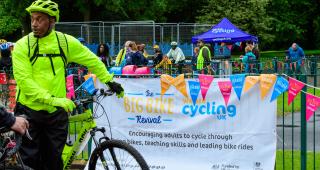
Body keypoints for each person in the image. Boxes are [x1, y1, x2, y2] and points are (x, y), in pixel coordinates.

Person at [12, 1, 124, 170]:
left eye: (40, 19)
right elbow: (25, 83)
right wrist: (54, 100)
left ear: (52, 21)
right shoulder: (22, 46)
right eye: (32, 19)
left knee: (55, 162)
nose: (34, 24)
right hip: (29, 111)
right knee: (29, 163)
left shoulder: (65, 42)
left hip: (55, 114)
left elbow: (92, 60)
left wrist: (109, 80)